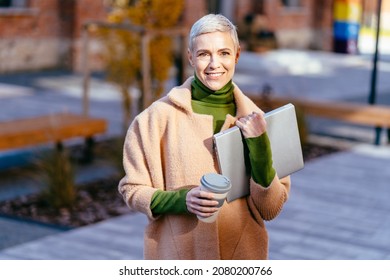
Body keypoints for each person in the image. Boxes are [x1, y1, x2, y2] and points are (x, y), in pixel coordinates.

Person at [118, 14, 291, 260]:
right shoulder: (153, 119)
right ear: (190, 57)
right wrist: (181, 200)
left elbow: (271, 208)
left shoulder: (262, 122)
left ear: (237, 55)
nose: (214, 64)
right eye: (203, 54)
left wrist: (259, 144)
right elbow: (132, 189)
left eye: (224, 53)